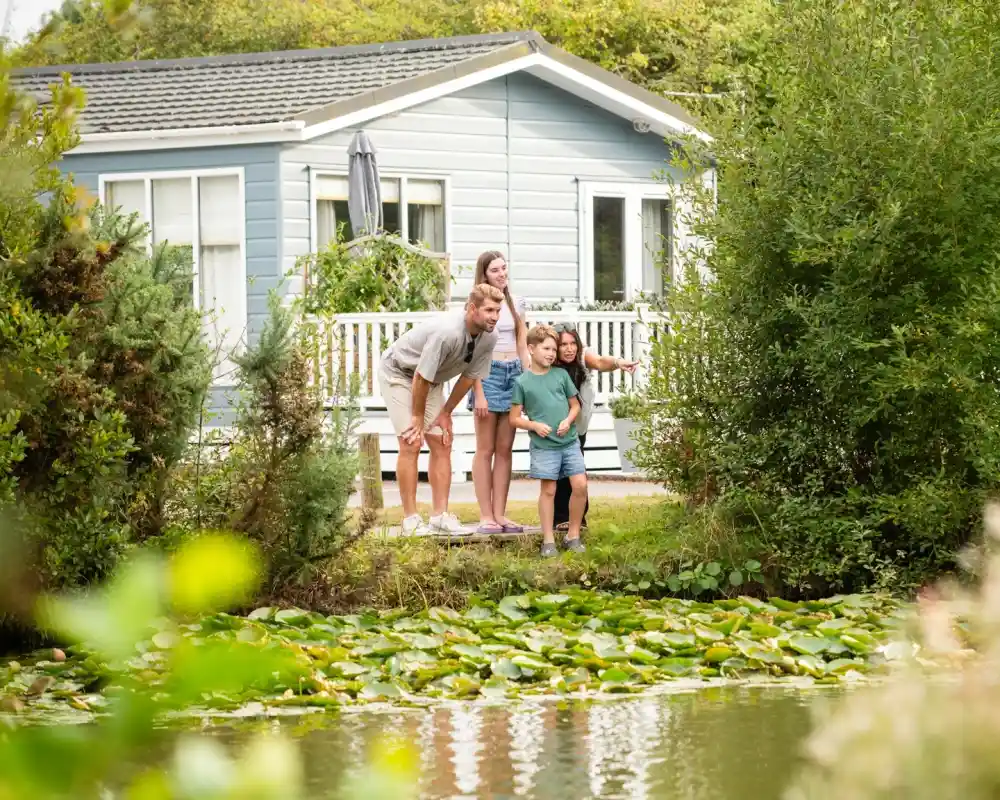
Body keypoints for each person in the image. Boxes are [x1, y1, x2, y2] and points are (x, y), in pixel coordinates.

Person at [377, 283, 503, 536]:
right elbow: (420, 378)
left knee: (442, 441)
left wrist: (446, 412)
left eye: (498, 311)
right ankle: (410, 520)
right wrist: (417, 418)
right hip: (400, 373)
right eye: (489, 310)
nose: (494, 316)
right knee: (411, 441)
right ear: (471, 308)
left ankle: (439, 516)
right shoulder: (447, 333)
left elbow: (469, 377)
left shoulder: (490, 337)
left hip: (431, 381)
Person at [551, 323, 639, 531]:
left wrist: (618, 362)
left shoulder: (581, 359)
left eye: (573, 343)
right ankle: (560, 517)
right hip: (554, 426)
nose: (569, 349)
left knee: (576, 469)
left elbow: (600, 361)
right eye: (564, 344)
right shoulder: (549, 362)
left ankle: (578, 519)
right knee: (558, 471)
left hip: (577, 426)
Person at [510, 324, 588, 557]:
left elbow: (575, 406)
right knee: (549, 490)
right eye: (546, 348)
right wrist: (533, 425)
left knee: (580, 486)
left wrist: (568, 420)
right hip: (544, 448)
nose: (552, 353)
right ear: (531, 349)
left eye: (554, 349)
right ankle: (548, 541)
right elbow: (514, 419)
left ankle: (573, 535)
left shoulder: (561, 375)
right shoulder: (522, 382)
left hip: (569, 442)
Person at [467, 250, 529, 534]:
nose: (502, 274)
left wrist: (527, 384)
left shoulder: (516, 303)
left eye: (504, 268)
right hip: (487, 375)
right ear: (484, 274)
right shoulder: (477, 306)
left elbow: (522, 343)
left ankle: (501, 514)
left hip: (513, 373)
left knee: (505, 449)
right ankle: (485, 515)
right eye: (495, 270)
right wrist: (478, 391)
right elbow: (472, 353)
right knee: (486, 448)